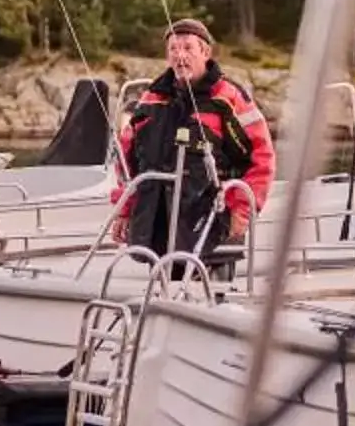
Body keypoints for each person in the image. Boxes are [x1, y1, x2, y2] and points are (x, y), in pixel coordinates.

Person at [113, 18, 273, 259]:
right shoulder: (150, 99)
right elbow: (127, 161)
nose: (180, 56)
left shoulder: (229, 98)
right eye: (173, 49)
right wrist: (124, 210)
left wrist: (242, 210)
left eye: (188, 48)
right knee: (160, 283)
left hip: (213, 226)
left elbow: (262, 158)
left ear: (205, 52)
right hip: (156, 227)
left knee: (213, 286)